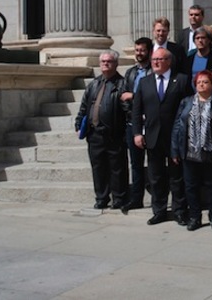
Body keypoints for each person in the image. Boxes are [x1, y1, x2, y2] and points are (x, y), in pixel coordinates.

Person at [132, 47, 193, 225]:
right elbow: (137, 110)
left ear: (169, 61)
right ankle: (159, 211)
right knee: (156, 176)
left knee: (177, 176)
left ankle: (179, 211)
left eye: (160, 59)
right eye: (154, 60)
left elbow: (189, 106)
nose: (156, 63)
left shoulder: (181, 80)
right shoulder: (145, 82)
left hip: (175, 137)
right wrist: (137, 133)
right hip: (153, 136)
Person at [75, 50, 130, 211]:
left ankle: (119, 198)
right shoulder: (94, 84)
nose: (105, 64)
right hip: (94, 134)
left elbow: (128, 110)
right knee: (98, 168)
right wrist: (78, 124)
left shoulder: (122, 84)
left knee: (117, 168)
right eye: (103, 61)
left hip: (114, 134)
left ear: (116, 64)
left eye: (109, 61)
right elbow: (84, 106)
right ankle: (101, 198)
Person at [171, 70, 212, 231]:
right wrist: (175, 149)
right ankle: (195, 217)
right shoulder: (186, 102)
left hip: (211, 152)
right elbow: (178, 126)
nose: (201, 85)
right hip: (190, 151)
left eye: (205, 82)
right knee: (191, 186)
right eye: (199, 82)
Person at [122, 37, 152, 209]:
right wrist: (133, 113)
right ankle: (136, 199)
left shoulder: (153, 71)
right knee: (136, 164)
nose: (139, 53)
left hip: (150, 122)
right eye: (137, 50)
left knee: (154, 163)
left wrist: (133, 97)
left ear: (149, 51)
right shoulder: (130, 73)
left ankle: (158, 199)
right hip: (133, 123)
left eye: (142, 50)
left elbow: (152, 96)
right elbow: (123, 96)